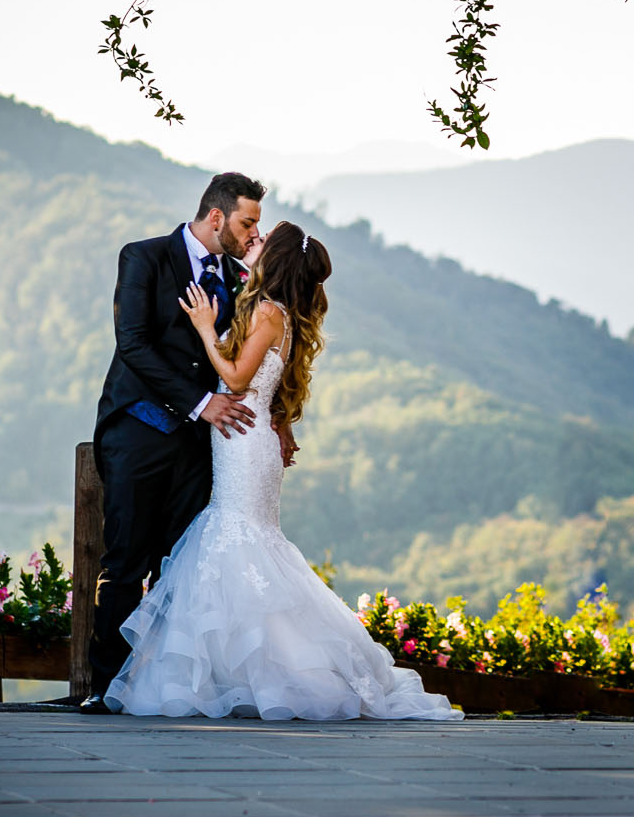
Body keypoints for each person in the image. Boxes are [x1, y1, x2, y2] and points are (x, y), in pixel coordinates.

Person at [103, 220, 461, 721]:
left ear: (279, 260)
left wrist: (207, 327)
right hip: (245, 439)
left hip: (243, 442)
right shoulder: (270, 308)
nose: (254, 241)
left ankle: (272, 672)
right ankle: (245, 672)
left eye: (264, 240)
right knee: (244, 546)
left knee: (240, 541)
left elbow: (234, 376)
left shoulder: (269, 312)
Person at [81, 173, 270, 714]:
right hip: (137, 432)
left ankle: (162, 683)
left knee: (182, 563)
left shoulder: (239, 278)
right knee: (125, 559)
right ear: (216, 217)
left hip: (199, 445)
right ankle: (106, 687)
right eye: (247, 222)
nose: (253, 232)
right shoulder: (143, 257)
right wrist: (200, 402)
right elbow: (133, 344)